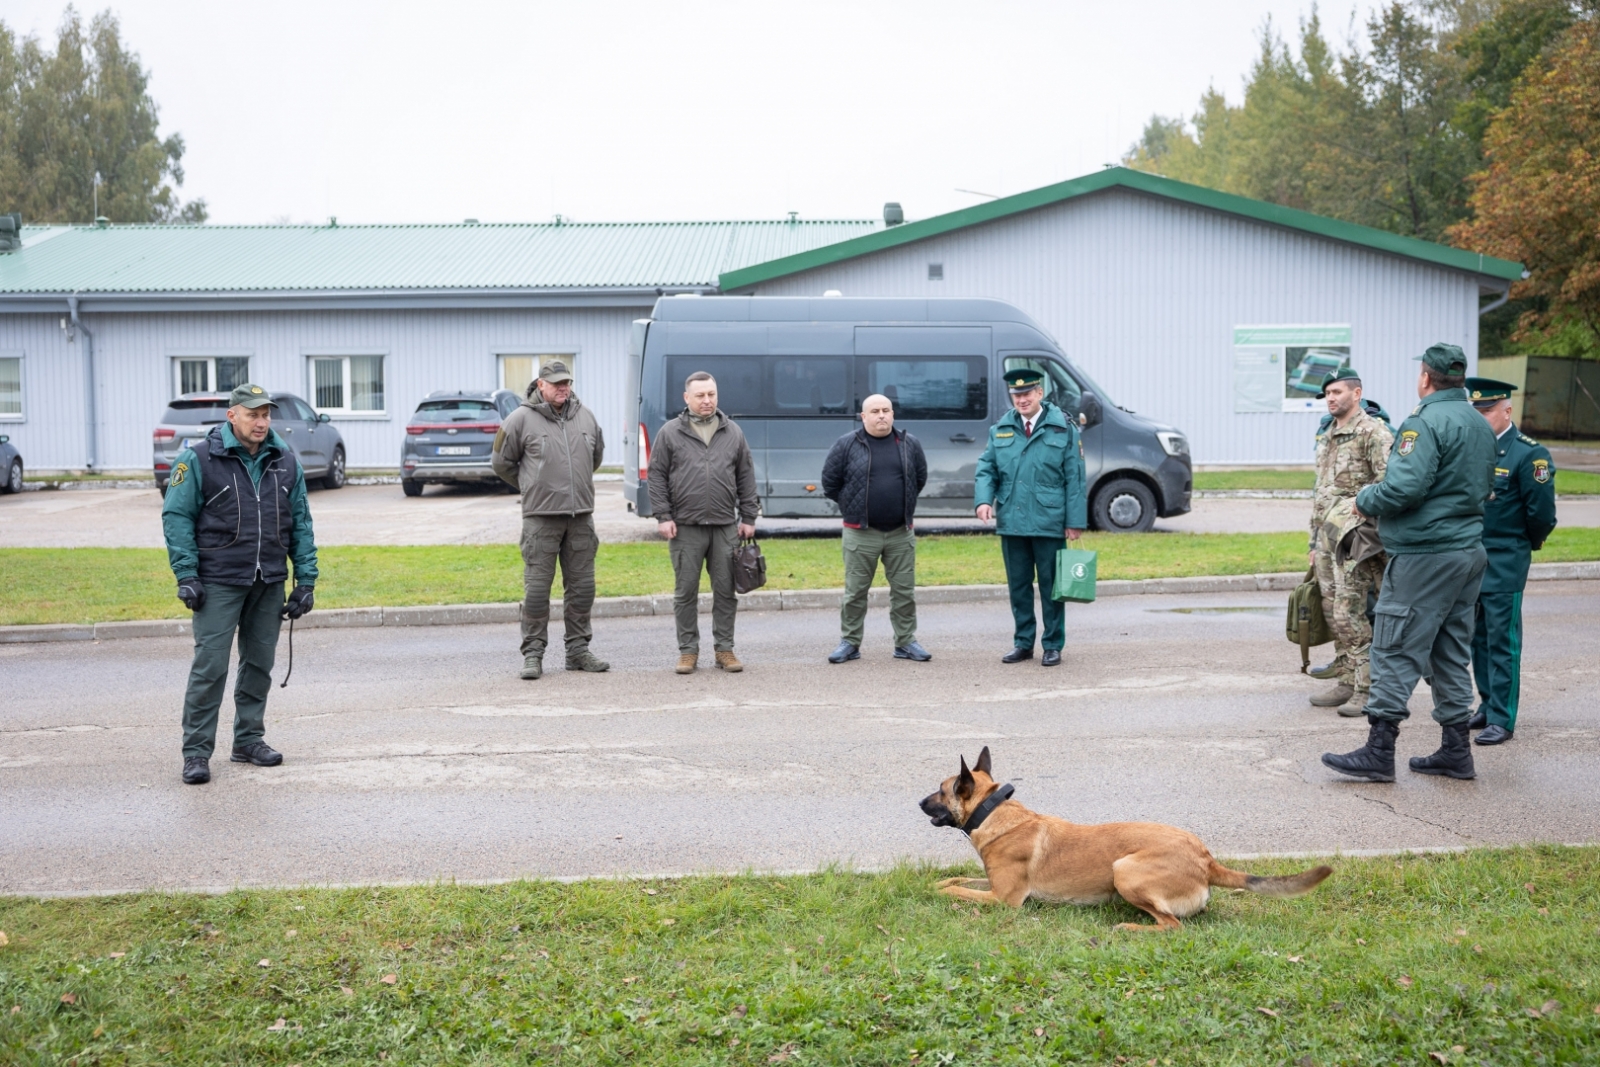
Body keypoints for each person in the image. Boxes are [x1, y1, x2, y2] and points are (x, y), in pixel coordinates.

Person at [1322, 344, 1497, 783]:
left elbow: (1403, 488)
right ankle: (1456, 752)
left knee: (1394, 646)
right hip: (1467, 552)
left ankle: (1379, 752)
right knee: (1450, 652)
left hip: (1425, 555)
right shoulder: (1478, 421)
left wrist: (1363, 500)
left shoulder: (1424, 422)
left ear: (1426, 377)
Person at [161, 383, 318, 786]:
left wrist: (305, 580)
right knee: (210, 668)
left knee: (259, 665)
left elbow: (300, 521)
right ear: (232, 416)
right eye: (253, 414)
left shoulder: (285, 460)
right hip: (217, 582)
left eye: (266, 414)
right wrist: (187, 575)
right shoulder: (198, 459)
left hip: (268, 580)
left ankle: (248, 740)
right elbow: (176, 518)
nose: (262, 421)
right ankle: (196, 752)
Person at [493, 360, 608, 680]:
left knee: (583, 589)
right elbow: (501, 463)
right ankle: (533, 653)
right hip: (540, 520)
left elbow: (595, 456)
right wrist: (532, 485)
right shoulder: (519, 419)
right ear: (540, 384)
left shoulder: (586, 416)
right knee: (537, 591)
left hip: (581, 517)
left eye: (566, 382)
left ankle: (578, 651)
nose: (563, 388)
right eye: (556, 383)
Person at [1464, 376, 1558, 746]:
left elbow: (1542, 515)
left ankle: (1503, 718)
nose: (1481, 417)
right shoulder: (1473, 449)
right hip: (1472, 560)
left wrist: (1525, 545)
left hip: (1505, 560)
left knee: (1503, 641)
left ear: (1507, 410)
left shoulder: (1528, 454)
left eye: (1487, 411)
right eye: (1478, 411)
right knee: (1477, 639)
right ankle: (1487, 704)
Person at [973, 369, 1088, 667]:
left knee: (1053, 587)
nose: (1021, 399)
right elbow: (986, 469)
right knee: (1019, 586)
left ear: (1040, 393)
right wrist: (984, 500)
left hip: (1050, 521)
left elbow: (1075, 478)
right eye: (1016, 395)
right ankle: (1023, 643)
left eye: (1027, 394)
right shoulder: (1000, 429)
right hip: (1013, 520)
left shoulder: (1062, 428)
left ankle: (1052, 644)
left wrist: (1074, 521)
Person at [647, 371, 759, 674]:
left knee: (726, 591)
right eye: (700, 395)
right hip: (685, 527)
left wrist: (748, 516)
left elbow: (746, 475)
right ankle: (688, 652)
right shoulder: (670, 433)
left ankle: (725, 649)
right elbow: (656, 476)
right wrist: (663, 515)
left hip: (725, 526)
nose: (707, 400)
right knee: (685, 592)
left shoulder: (732, 432)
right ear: (687, 398)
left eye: (711, 394)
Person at [1306, 368, 1394, 715]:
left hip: (1357, 539)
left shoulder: (1373, 432)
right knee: (1331, 610)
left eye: (1337, 392)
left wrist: (1367, 525)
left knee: (1350, 610)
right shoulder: (1328, 433)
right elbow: (1322, 493)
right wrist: (1314, 544)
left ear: (1357, 394)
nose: (1331, 398)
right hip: (1327, 538)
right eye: (1327, 393)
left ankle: (1367, 687)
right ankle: (1345, 678)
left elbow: (1390, 485)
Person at [820, 393, 931, 663]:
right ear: (864, 416)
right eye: (875, 411)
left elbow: (919, 478)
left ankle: (905, 642)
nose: (881, 415)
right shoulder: (847, 444)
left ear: (893, 414)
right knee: (855, 592)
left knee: (904, 592)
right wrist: (851, 505)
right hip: (861, 533)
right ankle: (850, 642)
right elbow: (830, 483)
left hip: (900, 533)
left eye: (886, 410)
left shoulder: (909, 444)